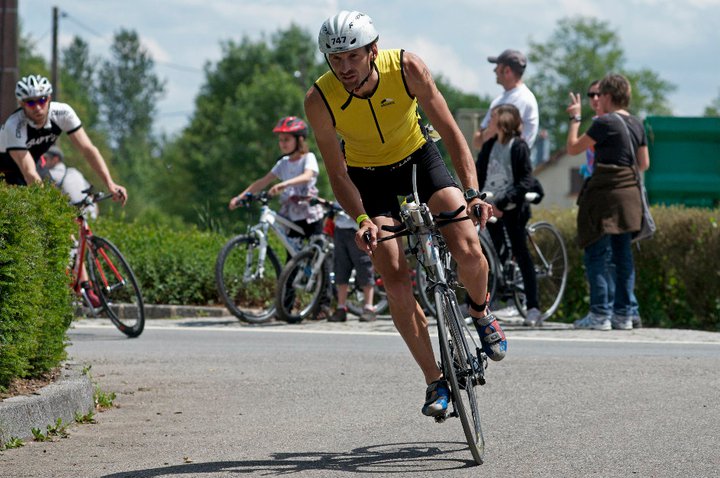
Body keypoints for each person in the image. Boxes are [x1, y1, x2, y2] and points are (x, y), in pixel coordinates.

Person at [304, 10, 503, 418]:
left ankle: (481, 313)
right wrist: (360, 221)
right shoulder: (319, 99)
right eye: (335, 59)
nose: (343, 68)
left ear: (373, 51)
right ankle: (435, 380)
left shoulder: (407, 67)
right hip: (367, 178)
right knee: (393, 277)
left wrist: (472, 193)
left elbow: (449, 130)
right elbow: (337, 173)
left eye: (352, 57)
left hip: (418, 159)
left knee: (466, 244)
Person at [566, 73, 649, 331]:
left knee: (596, 252)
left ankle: (600, 314)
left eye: (600, 95)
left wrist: (574, 119)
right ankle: (623, 315)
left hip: (605, 195)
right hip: (630, 196)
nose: (597, 99)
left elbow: (573, 148)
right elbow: (644, 163)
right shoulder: (636, 123)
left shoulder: (604, 123)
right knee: (623, 256)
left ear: (609, 96)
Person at [0, 75, 127, 204]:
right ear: (22, 104)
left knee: (58, 202)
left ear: (49, 98)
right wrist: (46, 207)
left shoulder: (63, 113)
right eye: (31, 103)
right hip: (6, 167)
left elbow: (88, 150)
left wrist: (110, 183)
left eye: (42, 100)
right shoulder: (14, 125)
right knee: (28, 209)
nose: (37, 107)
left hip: (33, 162)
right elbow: (29, 172)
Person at [476, 104, 542, 327]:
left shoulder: (518, 147)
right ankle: (478, 301)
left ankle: (533, 307)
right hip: (490, 207)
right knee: (485, 253)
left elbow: (524, 181)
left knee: (521, 254)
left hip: (513, 209)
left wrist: (503, 203)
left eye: (492, 117)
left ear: (503, 120)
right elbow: (477, 176)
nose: (489, 122)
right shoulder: (489, 147)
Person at [473, 49, 539, 150]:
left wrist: (488, 132)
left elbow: (502, 136)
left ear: (507, 71)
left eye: (497, 66)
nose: (494, 70)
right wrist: (492, 129)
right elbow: (477, 141)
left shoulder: (523, 98)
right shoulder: (498, 100)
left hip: (512, 165)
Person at [328, 208, 377, 323]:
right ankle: (341, 307)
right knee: (341, 268)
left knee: (364, 266)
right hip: (340, 229)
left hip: (357, 229)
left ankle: (369, 307)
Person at [38, 145, 98, 219]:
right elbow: (93, 196)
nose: (42, 162)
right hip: (92, 218)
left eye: (45, 159)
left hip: (77, 221)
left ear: (55, 159)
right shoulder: (75, 172)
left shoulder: (52, 174)